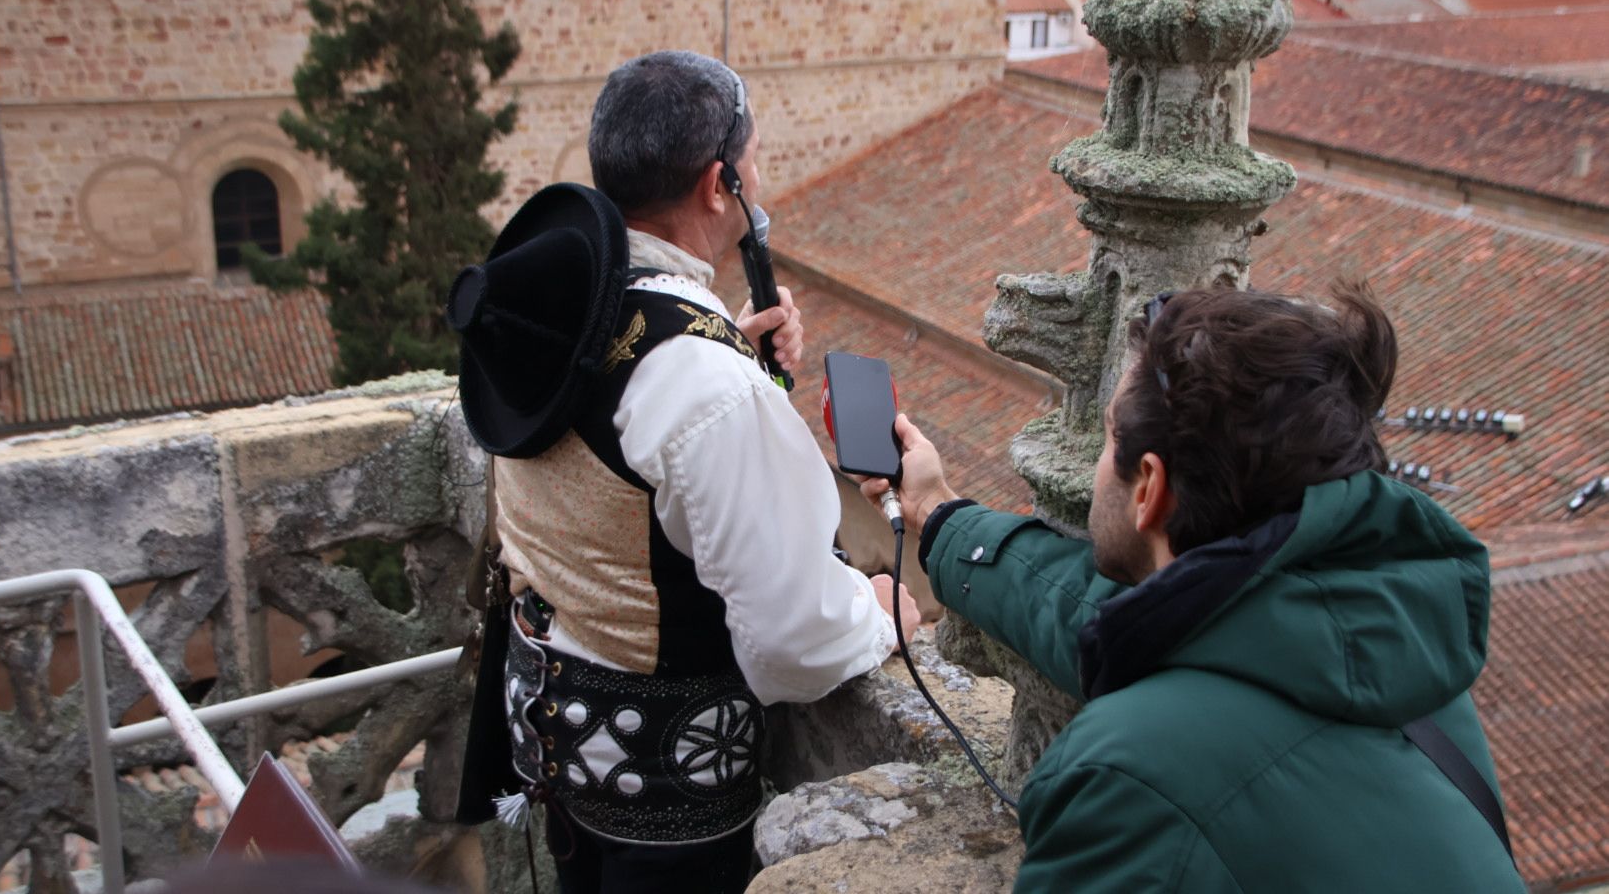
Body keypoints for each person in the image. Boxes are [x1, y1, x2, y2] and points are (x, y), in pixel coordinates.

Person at [862, 284, 1523, 894]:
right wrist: (942, 517)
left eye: (1108, 437)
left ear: (1148, 487)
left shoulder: (1126, 776)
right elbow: (1111, 617)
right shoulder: (1396, 659)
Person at [449, 50, 917, 893]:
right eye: (756, 159)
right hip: (665, 811)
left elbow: (615, 430)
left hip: (553, 748)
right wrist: (881, 615)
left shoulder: (568, 301)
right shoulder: (710, 388)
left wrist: (723, 342)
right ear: (717, 184)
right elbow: (792, 644)